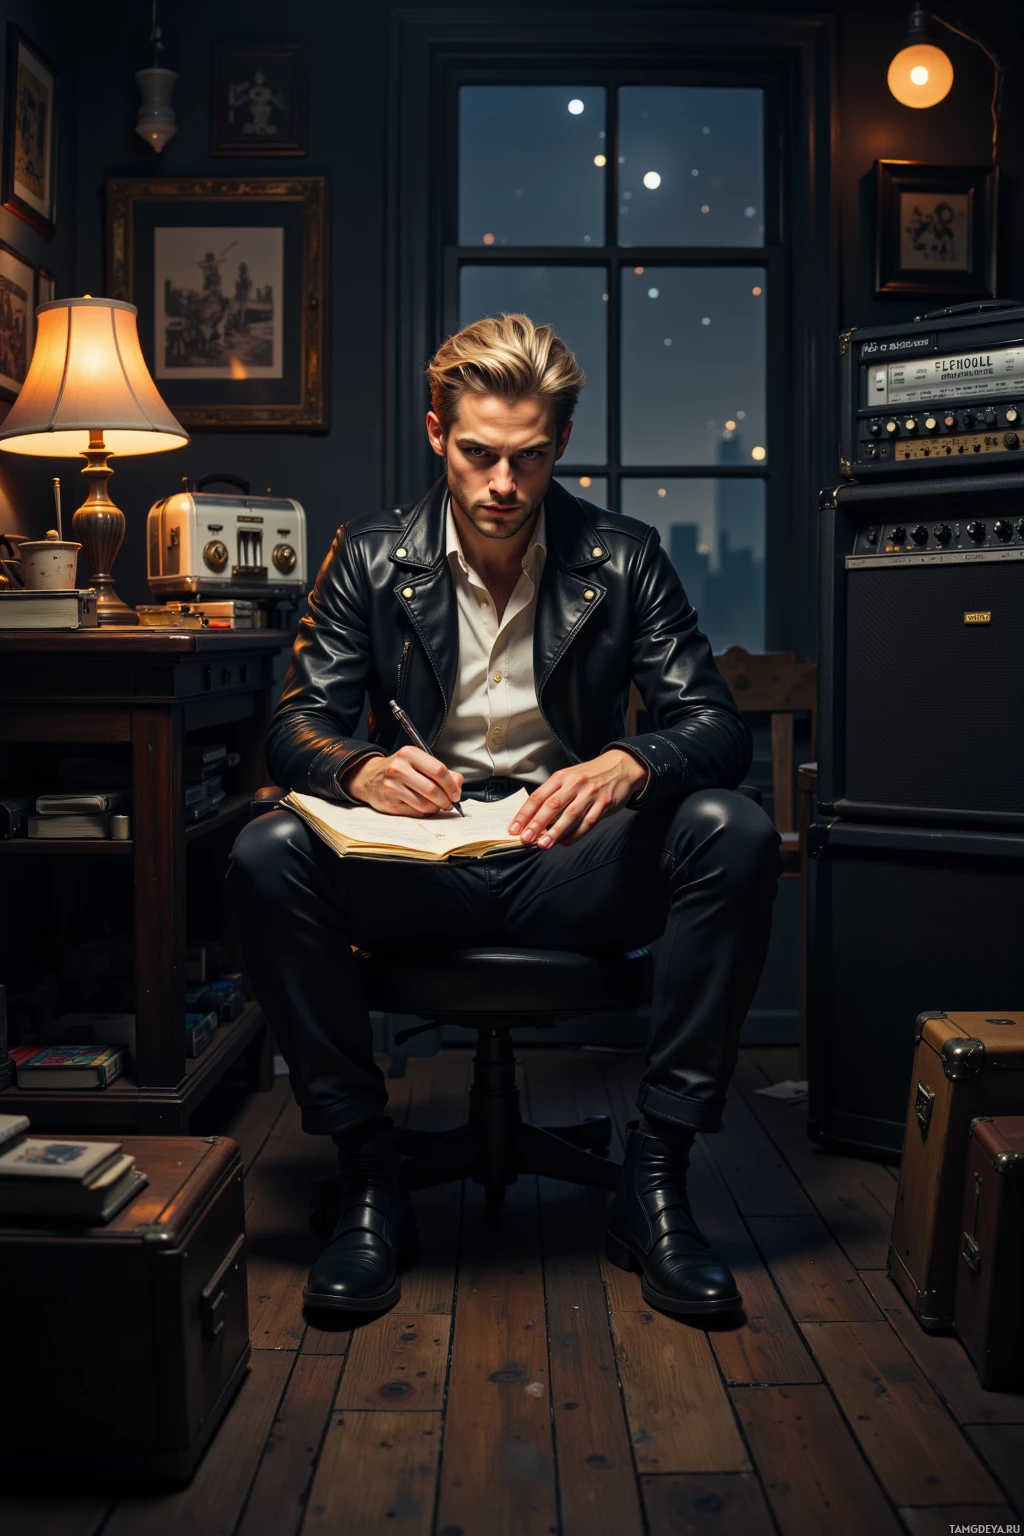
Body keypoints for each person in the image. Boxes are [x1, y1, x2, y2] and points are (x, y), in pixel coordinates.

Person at [228, 313, 782, 1320]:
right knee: (266, 849)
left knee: (732, 830)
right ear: (436, 431)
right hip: (415, 868)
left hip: (569, 865)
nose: (502, 485)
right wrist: (357, 769)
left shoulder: (625, 557)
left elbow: (714, 727)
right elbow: (293, 727)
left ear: (558, 445)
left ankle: (652, 1182)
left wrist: (629, 759)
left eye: (528, 459)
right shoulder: (368, 556)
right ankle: (367, 1180)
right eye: (478, 453)